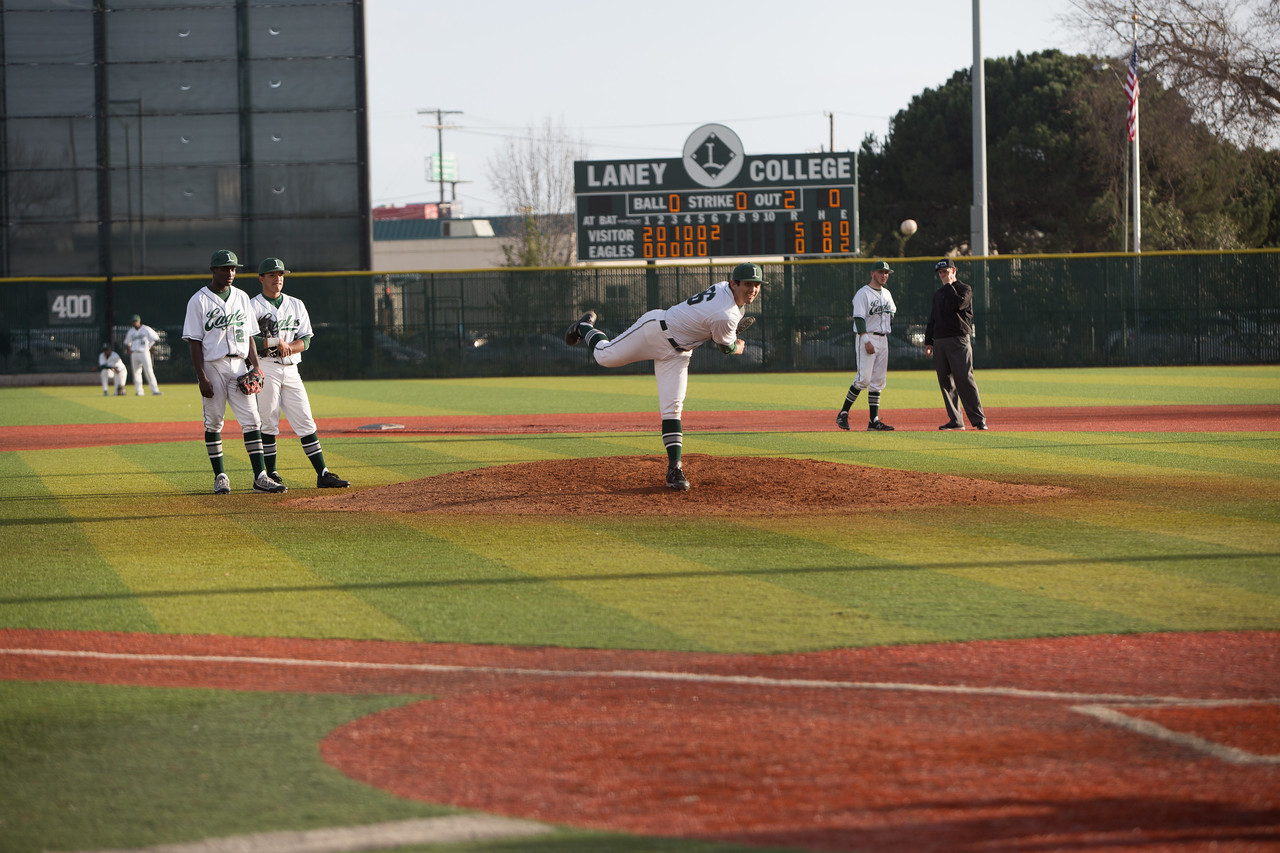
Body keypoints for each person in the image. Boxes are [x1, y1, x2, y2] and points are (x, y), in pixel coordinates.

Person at [563, 260, 764, 490]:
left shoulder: (726, 295)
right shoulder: (726, 315)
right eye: (748, 284)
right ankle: (584, 327)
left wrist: (723, 333)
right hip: (656, 331)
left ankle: (674, 469)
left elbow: (714, 323)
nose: (753, 289)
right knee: (604, 356)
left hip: (678, 353)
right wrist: (736, 346)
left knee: (672, 408)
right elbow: (725, 347)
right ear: (734, 283)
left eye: (757, 284)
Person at [182, 249, 287, 494]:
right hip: (213, 365)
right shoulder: (198, 300)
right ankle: (220, 476)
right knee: (214, 422)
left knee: (252, 421)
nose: (230, 273)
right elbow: (195, 342)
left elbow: (250, 336)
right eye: (225, 268)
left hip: (240, 365)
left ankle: (260, 477)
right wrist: (201, 377)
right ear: (213, 270)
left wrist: (257, 367)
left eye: (233, 269)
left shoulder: (241, 297)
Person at [250, 257, 349, 489]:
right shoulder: (251, 305)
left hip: (291, 368)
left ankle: (322, 473)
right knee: (268, 422)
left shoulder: (296, 304)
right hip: (266, 367)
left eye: (281, 274)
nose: (278, 279)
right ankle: (270, 474)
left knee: (305, 420)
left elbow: (306, 340)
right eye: (273, 275)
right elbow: (247, 340)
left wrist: (287, 348)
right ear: (261, 278)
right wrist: (275, 343)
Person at [924, 258, 987, 430]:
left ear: (954, 271)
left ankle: (979, 419)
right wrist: (928, 342)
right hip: (940, 341)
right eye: (941, 272)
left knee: (964, 378)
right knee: (946, 382)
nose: (943, 275)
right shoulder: (938, 294)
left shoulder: (964, 289)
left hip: (958, 339)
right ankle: (956, 420)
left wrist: (948, 286)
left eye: (946, 271)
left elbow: (957, 304)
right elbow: (932, 319)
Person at [835, 260, 897, 431]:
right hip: (867, 337)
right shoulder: (863, 293)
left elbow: (892, 310)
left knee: (877, 382)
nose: (884, 275)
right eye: (880, 272)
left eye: (886, 273)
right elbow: (859, 318)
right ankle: (843, 413)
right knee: (864, 379)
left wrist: (888, 319)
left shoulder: (887, 294)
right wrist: (865, 340)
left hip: (883, 338)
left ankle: (873, 421)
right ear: (872, 273)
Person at [124, 313, 163, 396]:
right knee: (136, 373)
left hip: (144, 352)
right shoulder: (131, 331)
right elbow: (127, 342)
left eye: (136, 321)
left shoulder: (146, 329)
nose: (135, 323)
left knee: (149, 371)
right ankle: (139, 391)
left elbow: (156, 337)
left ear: (139, 321)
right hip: (134, 353)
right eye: (133, 322)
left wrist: (150, 346)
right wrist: (129, 349)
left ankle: (155, 390)